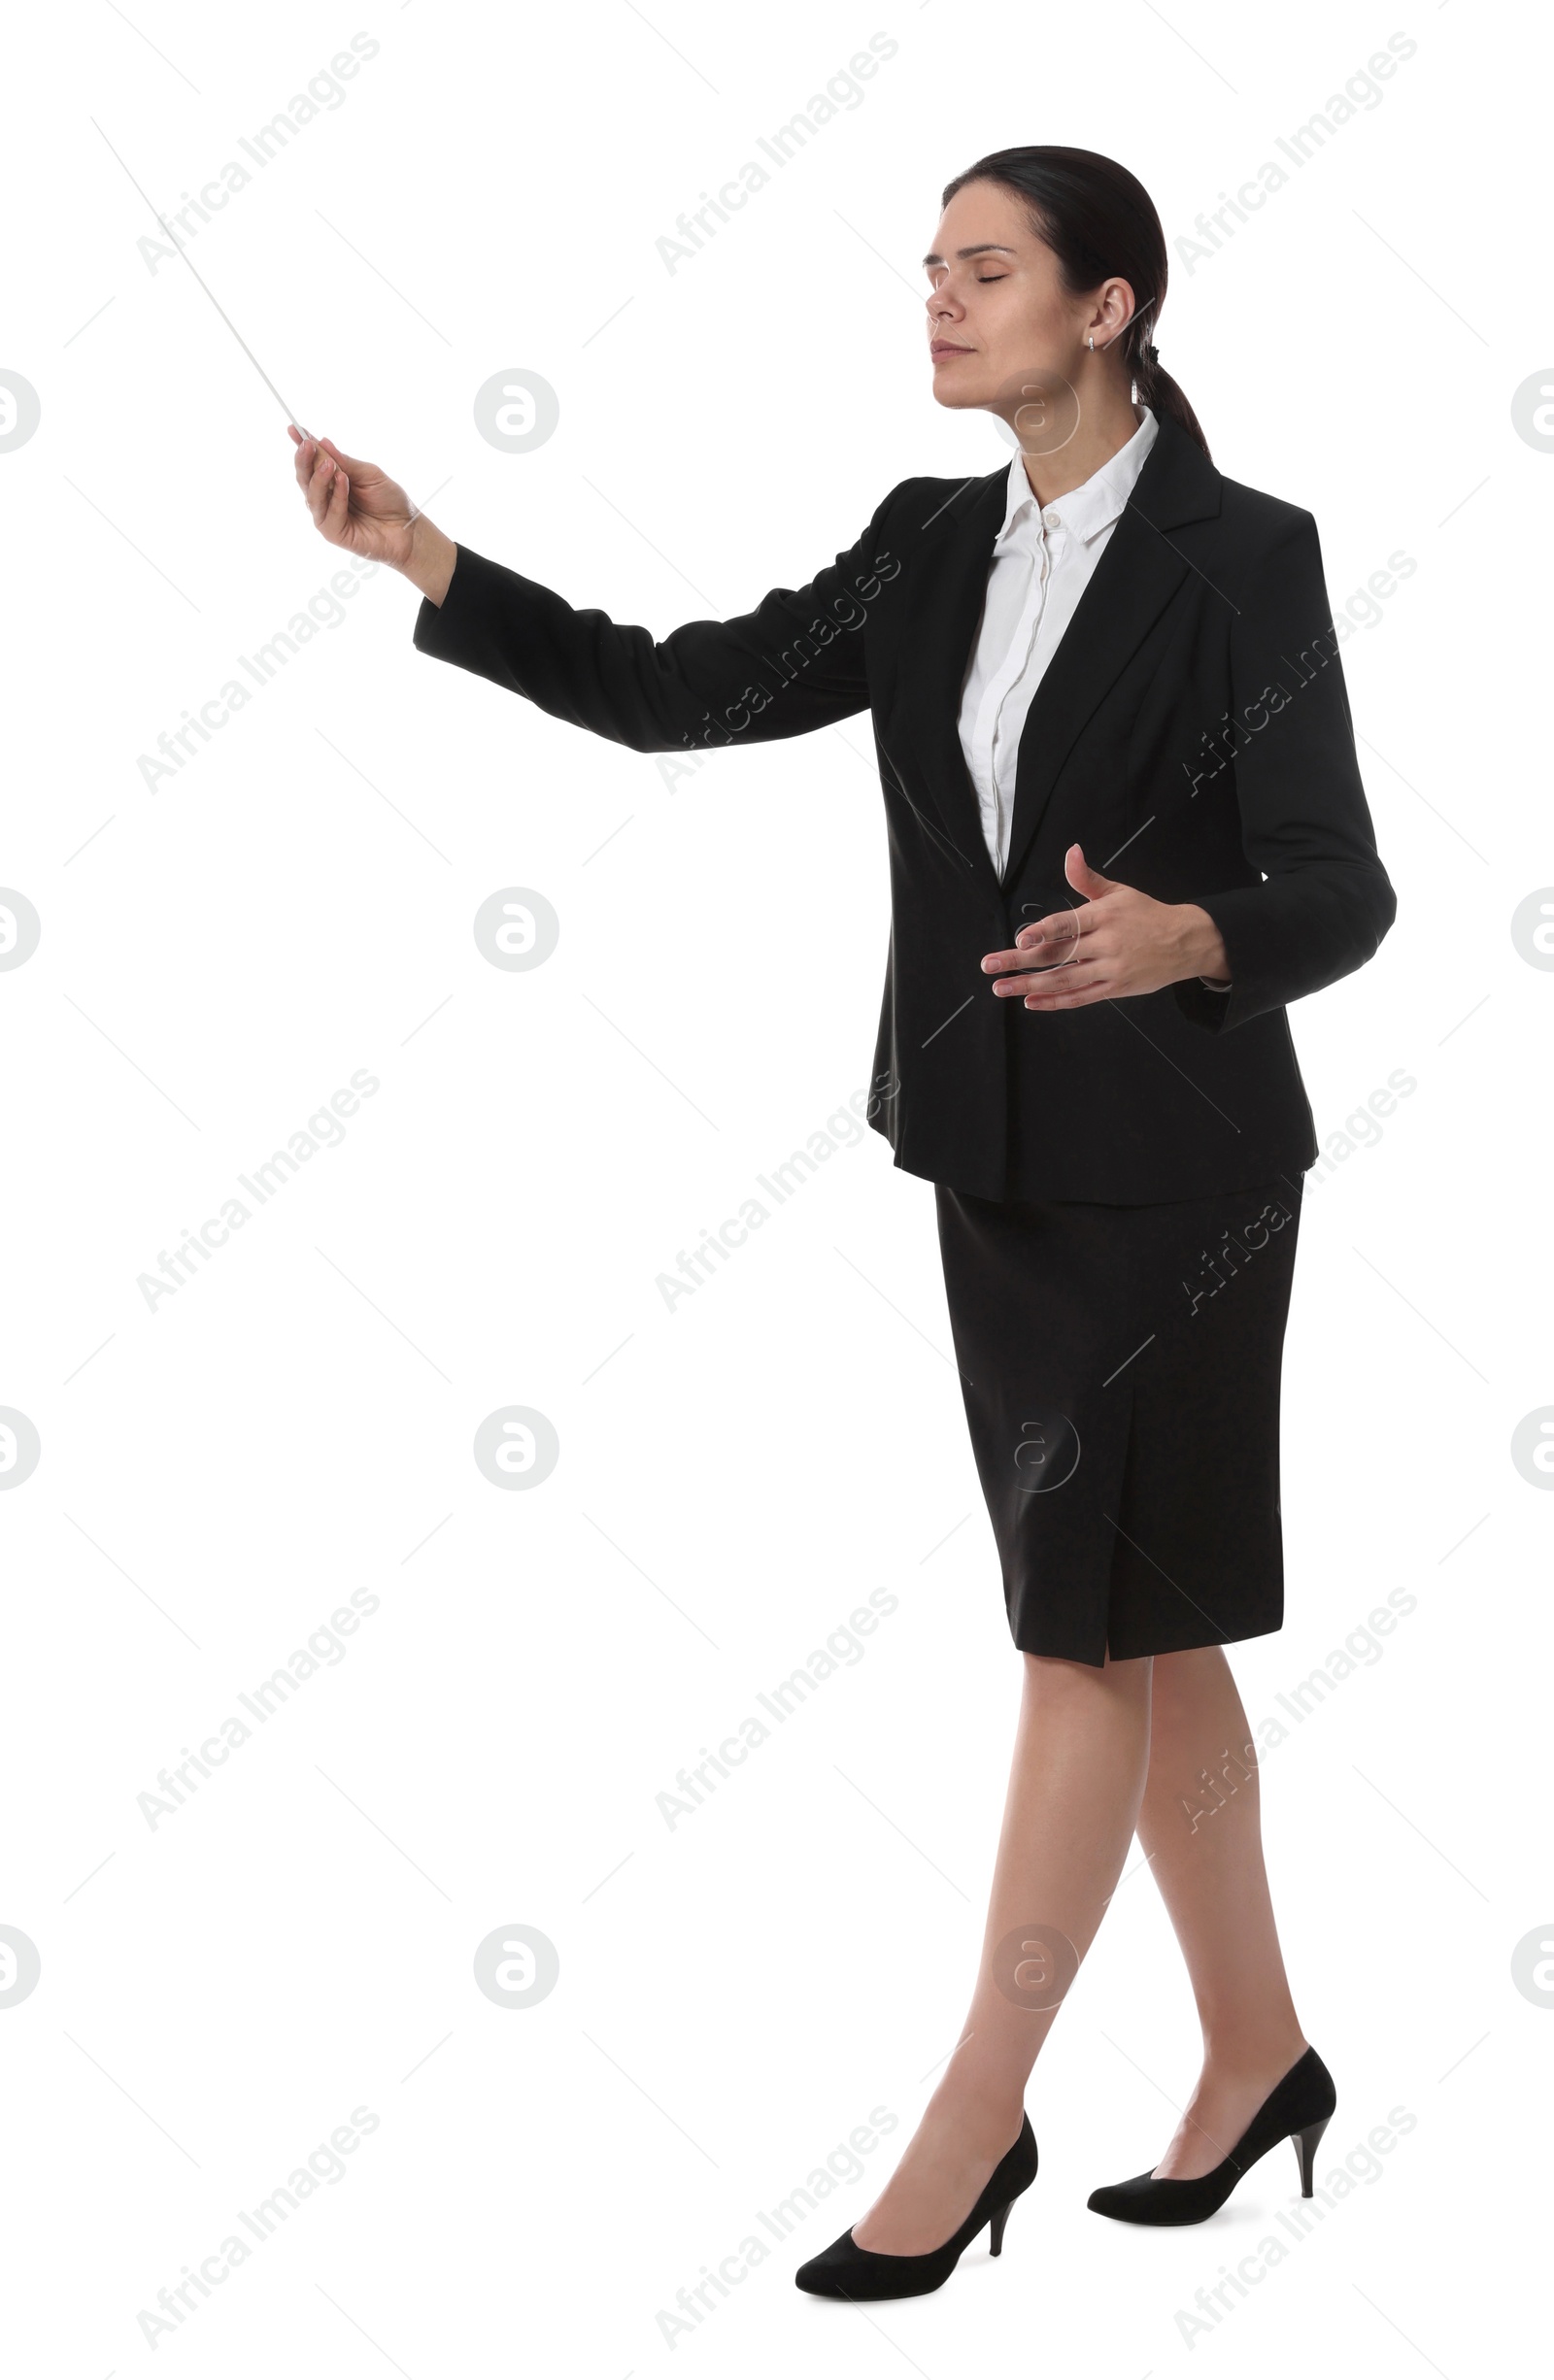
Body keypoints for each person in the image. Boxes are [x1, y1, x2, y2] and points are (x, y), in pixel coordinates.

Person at [289, 145, 1394, 2303]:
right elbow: (680, 688)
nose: (936, 300)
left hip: (1176, 1175)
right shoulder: (923, 543)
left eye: (983, 270)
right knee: (1143, 1625)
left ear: (1107, 304)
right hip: (989, 1156)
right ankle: (1256, 2049)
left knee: (1074, 1636)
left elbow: (1338, 882)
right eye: (926, 270)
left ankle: (968, 2121)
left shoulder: (1239, 556)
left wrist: (1188, 935)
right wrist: (428, 555)